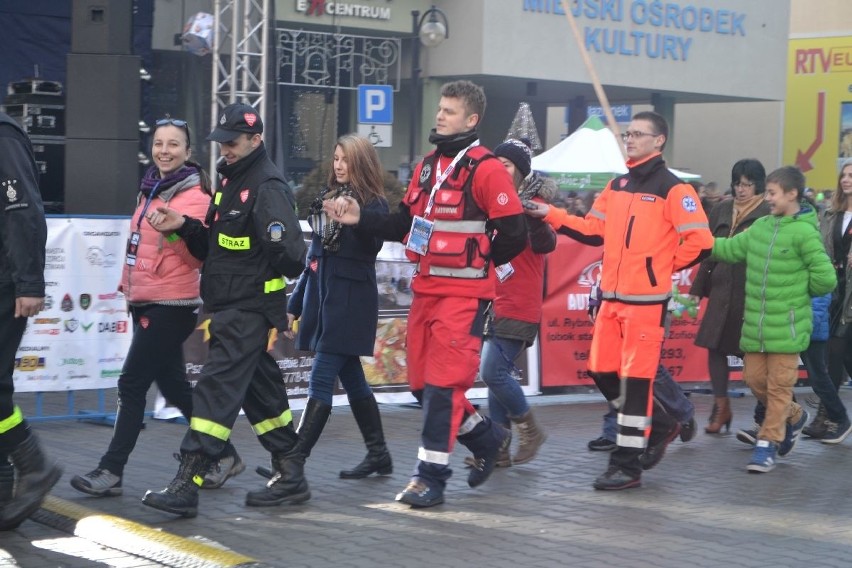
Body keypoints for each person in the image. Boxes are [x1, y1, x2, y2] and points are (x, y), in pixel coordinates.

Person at [325, 80, 528, 508]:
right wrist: (358, 217)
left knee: (440, 388)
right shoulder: (426, 167)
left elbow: (514, 233)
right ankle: (489, 437)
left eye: (449, 111)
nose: (439, 116)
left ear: (471, 120)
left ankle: (429, 477)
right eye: (440, 108)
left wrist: (478, 264)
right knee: (421, 385)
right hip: (426, 293)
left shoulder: (487, 169)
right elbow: (402, 224)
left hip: (463, 297)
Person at [525, 111, 714, 490]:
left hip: (646, 304)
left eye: (638, 134)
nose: (629, 139)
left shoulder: (675, 189)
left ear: (659, 141)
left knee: (636, 384)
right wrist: (551, 214)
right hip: (612, 301)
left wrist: (659, 267)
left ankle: (627, 466)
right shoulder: (617, 185)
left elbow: (701, 242)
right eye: (628, 133)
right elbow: (594, 232)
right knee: (602, 371)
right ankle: (661, 424)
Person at [141, 103, 307, 517]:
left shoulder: (266, 185)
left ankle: (187, 482)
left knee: (215, 391)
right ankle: (291, 474)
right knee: (261, 391)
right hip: (230, 304)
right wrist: (183, 225)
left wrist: (262, 262)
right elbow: (213, 247)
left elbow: (291, 256)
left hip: (248, 307)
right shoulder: (231, 181)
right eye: (222, 142)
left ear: (255, 140)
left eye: (232, 143)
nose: (225, 150)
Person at [70, 118, 243, 498]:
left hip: (172, 304)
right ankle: (225, 455)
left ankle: (111, 470)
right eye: (159, 143)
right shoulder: (151, 187)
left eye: (174, 144)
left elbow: (201, 256)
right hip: (145, 299)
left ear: (188, 151)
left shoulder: (194, 195)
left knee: (131, 383)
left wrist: (178, 228)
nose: (164, 150)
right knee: (175, 388)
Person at [711, 166, 835, 473]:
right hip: (756, 326)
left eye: (771, 193)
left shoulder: (805, 231)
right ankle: (794, 416)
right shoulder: (762, 227)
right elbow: (729, 249)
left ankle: (767, 445)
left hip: (788, 327)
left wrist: (798, 295)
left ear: (792, 195)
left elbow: (826, 278)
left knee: (779, 387)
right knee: (754, 380)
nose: (766, 198)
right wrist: (697, 240)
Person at [284, 134, 392, 479]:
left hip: (351, 304)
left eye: (345, 159)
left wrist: (355, 219)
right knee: (354, 381)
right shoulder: (326, 199)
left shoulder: (374, 204)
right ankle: (379, 455)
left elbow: (373, 245)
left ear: (361, 163)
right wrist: (295, 305)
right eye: (335, 159)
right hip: (324, 302)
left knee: (321, 378)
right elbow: (313, 260)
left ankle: (293, 462)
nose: (339, 165)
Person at [466, 138, 556, 467]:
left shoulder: (532, 205)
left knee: (492, 371)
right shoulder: (494, 202)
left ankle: (529, 429)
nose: (499, 169)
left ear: (519, 172)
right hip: (493, 299)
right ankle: (498, 448)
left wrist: (532, 219)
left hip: (519, 303)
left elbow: (548, 241)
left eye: (506, 165)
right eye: (497, 163)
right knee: (496, 373)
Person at [0, 111, 62, 530]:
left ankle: (33, 464)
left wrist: (28, 283)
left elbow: (22, 210)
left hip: (5, 282)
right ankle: (5, 492)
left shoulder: (3, 136)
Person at [688, 159, 771, 434]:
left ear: (758, 185)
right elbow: (708, 252)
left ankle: (771, 413)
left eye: (747, 184)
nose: (741, 190)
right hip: (721, 287)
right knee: (714, 347)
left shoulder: (768, 212)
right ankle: (720, 407)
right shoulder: (722, 208)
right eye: (737, 183)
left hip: (751, 290)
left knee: (751, 355)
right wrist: (697, 291)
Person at [810, 159, 852, 437]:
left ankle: (829, 417)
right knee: (841, 354)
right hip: (834, 289)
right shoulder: (832, 213)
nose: (846, 179)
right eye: (844, 175)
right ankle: (828, 416)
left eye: (851, 175)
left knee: (836, 350)